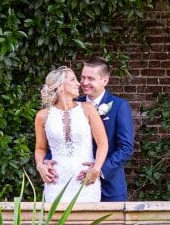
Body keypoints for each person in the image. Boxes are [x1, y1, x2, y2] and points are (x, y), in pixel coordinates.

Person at [37, 58, 135, 202]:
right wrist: (45, 163)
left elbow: (125, 147)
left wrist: (99, 169)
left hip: (110, 186)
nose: (83, 82)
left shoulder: (119, 106)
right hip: (66, 181)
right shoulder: (74, 104)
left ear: (105, 81)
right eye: (82, 77)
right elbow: (59, 142)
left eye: (90, 78)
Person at [34, 67, 107, 204]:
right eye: (73, 79)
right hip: (56, 181)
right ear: (60, 85)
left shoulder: (88, 109)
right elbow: (40, 148)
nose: (78, 83)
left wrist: (96, 168)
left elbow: (103, 143)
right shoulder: (42, 116)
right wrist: (40, 165)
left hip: (85, 180)